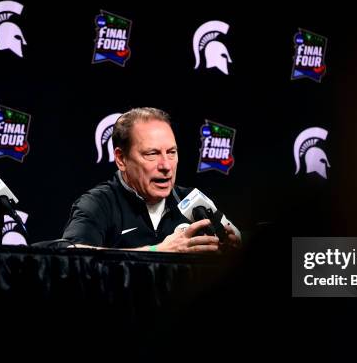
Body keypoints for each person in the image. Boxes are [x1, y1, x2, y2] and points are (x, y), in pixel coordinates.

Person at [62, 107, 241, 253]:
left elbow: (237, 240)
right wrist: (158, 251)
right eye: (152, 154)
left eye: (171, 152)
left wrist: (231, 248)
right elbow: (71, 256)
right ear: (121, 159)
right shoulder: (98, 204)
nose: (166, 165)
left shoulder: (193, 200)